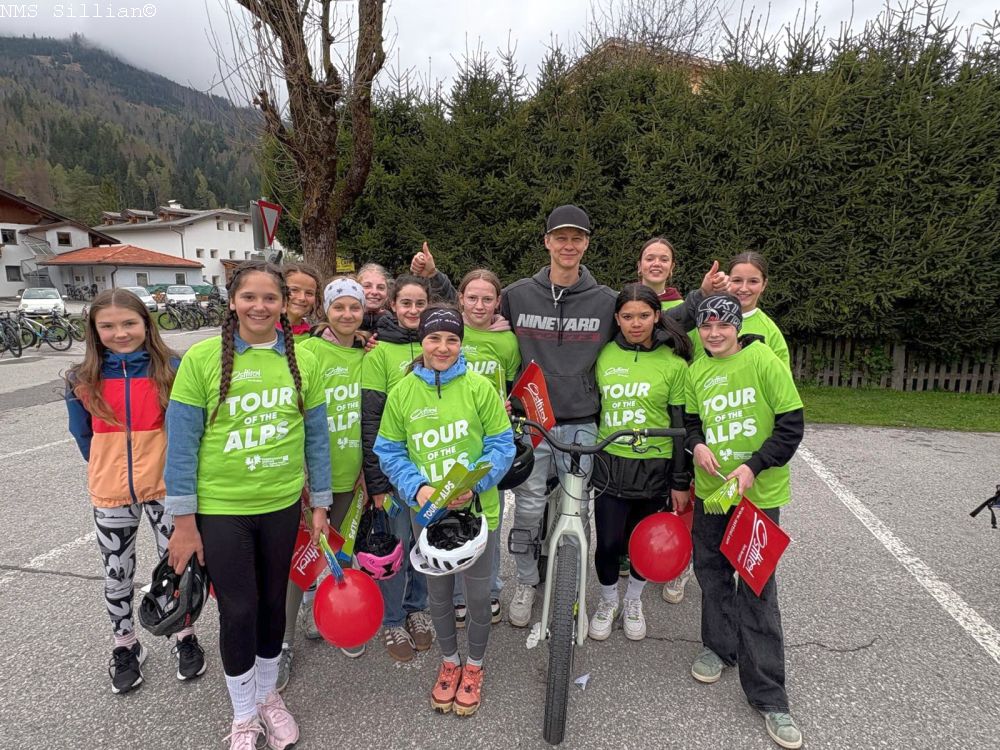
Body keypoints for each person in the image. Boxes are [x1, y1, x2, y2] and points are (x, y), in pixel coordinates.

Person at [499, 204, 725, 627]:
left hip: (583, 425)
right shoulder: (516, 295)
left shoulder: (604, 300)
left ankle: (571, 595)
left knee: (578, 513)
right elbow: (471, 322)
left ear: (586, 243)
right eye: (561, 237)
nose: (568, 245)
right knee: (527, 511)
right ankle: (527, 583)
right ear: (547, 241)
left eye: (577, 238)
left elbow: (653, 320)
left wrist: (699, 296)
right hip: (533, 424)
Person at [164, 261, 332, 750]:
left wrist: (320, 504)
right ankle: (243, 715)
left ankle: (267, 697)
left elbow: (317, 439)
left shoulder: (304, 360)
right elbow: (181, 446)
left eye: (270, 298)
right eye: (249, 297)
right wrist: (184, 523)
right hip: (222, 508)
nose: (259, 306)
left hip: (281, 504)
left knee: (273, 605)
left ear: (285, 303)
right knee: (238, 611)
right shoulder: (201, 359)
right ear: (232, 301)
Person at [374, 305, 515, 717]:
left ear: (461, 343)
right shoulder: (403, 391)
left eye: (452, 339)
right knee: (438, 595)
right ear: (422, 341)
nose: (442, 347)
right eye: (434, 338)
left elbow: (502, 444)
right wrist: (417, 488)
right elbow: (389, 449)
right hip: (427, 513)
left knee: (477, 596)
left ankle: (475, 665)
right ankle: (450, 661)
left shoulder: (479, 388)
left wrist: (473, 484)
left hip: (477, 510)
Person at [65, 288, 206, 695]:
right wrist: (108, 468)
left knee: (177, 567)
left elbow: (189, 429)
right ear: (94, 330)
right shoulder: (81, 379)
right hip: (111, 492)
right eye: (107, 326)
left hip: (166, 488)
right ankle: (125, 644)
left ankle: (184, 635)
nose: (120, 333)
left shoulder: (172, 369)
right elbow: (83, 436)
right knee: (117, 573)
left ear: (147, 323)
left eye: (129, 323)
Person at [683, 293, 804, 750]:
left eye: (723, 325)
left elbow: (791, 426)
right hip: (712, 493)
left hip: (757, 495)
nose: (714, 333)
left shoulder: (763, 360)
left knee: (757, 588)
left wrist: (753, 466)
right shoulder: (696, 371)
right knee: (712, 572)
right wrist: (697, 445)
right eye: (707, 326)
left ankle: (770, 696)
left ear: (737, 326)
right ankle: (719, 648)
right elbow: (691, 424)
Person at [278, 277, 369, 690]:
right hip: (311, 476)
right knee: (300, 562)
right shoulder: (308, 351)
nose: (347, 315)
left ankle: (338, 617)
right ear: (326, 311)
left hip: (352, 473)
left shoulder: (369, 352)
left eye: (355, 307)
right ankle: (283, 642)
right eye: (339, 307)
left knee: (340, 552)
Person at [590, 284, 691, 642]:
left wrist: (680, 481)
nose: (636, 323)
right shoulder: (603, 355)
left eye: (644, 315)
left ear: (657, 316)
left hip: (654, 468)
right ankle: (607, 601)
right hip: (610, 464)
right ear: (617, 319)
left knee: (643, 545)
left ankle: (633, 599)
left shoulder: (674, 364)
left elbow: (679, 426)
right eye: (628, 316)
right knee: (608, 543)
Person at [360, 274, 434, 661]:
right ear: (393, 306)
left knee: (424, 544)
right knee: (396, 546)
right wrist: (377, 483)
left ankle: (416, 608)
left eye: (420, 303)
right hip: (394, 473)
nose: (413, 310)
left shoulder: (437, 345)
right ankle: (391, 618)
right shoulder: (379, 353)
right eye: (406, 303)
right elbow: (371, 421)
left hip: (431, 472)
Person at [451, 269, 521, 626]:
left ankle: (490, 589)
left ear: (498, 303)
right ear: (460, 299)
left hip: (490, 441)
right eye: (472, 298)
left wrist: (508, 406)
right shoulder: (450, 332)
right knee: (453, 516)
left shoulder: (507, 342)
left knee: (489, 517)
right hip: (452, 438)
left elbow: (510, 387)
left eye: (487, 299)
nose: (479, 305)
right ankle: (457, 595)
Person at [689, 252, 789, 370]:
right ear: (727, 280)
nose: (743, 288)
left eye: (753, 281)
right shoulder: (702, 320)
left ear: (764, 284)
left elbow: (781, 377)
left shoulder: (770, 331)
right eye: (737, 280)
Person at [637, 237, 685, 310]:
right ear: (639, 266)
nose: (656, 264)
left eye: (664, 260)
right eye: (650, 259)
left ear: (671, 267)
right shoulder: (623, 300)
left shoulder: (681, 308)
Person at [281, 262, 322, 338]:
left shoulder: (316, 337)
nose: (302, 298)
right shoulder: (262, 333)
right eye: (294, 290)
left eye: (309, 293)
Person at [357, 262, 392, 331]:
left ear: (387, 293)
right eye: (367, 286)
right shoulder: (347, 321)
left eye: (381, 287)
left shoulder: (395, 323)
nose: (374, 292)